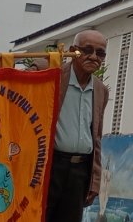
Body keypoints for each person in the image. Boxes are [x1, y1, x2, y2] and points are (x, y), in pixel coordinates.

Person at [47, 30, 110, 222]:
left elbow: (97, 137)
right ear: (73, 51)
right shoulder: (53, 77)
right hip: (51, 167)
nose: (94, 57)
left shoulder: (100, 90)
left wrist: (95, 180)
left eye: (100, 53)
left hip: (80, 172)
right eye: (87, 50)